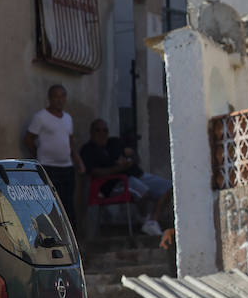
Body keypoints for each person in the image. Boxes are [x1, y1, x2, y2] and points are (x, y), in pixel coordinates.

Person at [78, 120, 171, 237]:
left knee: (170, 187)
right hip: (114, 183)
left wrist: (130, 159)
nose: (102, 133)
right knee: (142, 190)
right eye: (98, 130)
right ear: (91, 132)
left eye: (105, 130)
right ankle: (145, 219)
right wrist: (118, 168)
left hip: (137, 175)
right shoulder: (88, 149)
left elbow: (133, 155)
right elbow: (94, 172)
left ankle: (152, 221)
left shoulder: (114, 143)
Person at [24, 85, 83, 227]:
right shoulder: (41, 117)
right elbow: (28, 139)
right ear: (49, 98)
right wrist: (38, 157)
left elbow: (70, 141)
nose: (60, 100)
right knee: (49, 205)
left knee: (68, 205)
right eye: (56, 96)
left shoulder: (68, 118)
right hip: (48, 168)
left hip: (66, 168)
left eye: (62, 96)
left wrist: (78, 161)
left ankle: (72, 240)